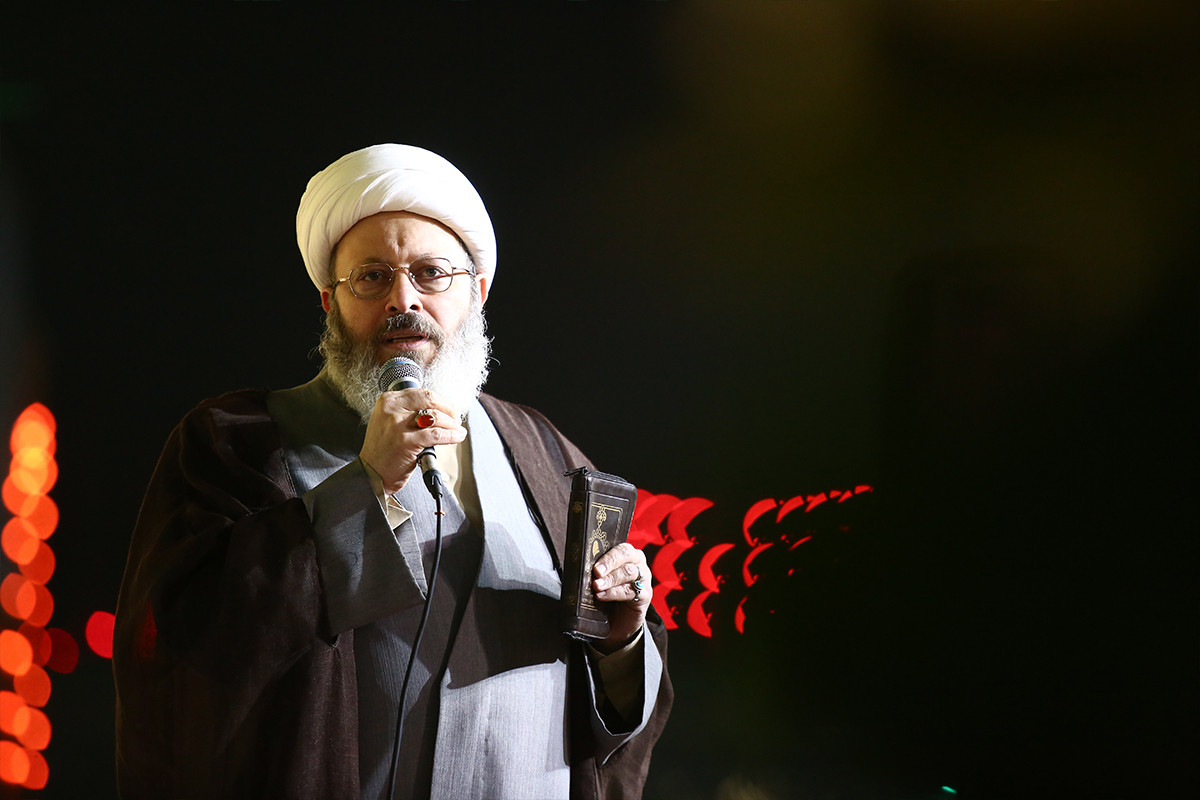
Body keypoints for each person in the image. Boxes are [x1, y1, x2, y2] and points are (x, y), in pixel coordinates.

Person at [113, 144, 672, 800]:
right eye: (372, 278)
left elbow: (618, 708)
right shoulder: (239, 445)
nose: (403, 301)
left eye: (432, 273)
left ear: (477, 292)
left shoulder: (547, 454)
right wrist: (366, 481)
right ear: (329, 301)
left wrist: (621, 640)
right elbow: (179, 652)